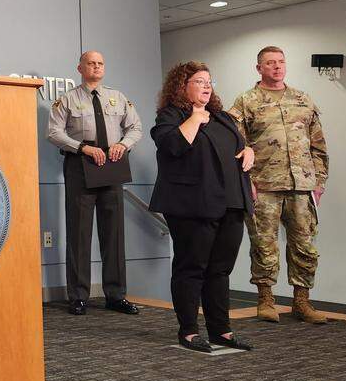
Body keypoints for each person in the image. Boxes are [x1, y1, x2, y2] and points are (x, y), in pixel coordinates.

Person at [150, 62, 255, 353]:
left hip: (230, 202)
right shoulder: (172, 115)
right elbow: (171, 146)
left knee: (220, 270)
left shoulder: (221, 117)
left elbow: (236, 145)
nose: (207, 86)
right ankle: (188, 331)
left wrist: (249, 150)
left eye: (209, 81)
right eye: (199, 81)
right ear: (182, 86)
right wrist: (195, 118)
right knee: (191, 268)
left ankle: (221, 329)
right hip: (192, 205)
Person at [229, 46, 329, 324]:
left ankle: (302, 302)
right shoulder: (247, 101)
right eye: (270, 63)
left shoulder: (302, 99)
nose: (277, 67)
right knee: (264, 245)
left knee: (305, 245)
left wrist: (318, 182)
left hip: (302, 185)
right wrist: (244, 182)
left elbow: (318, 145)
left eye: (281, 62)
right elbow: (235, 147)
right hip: (263, 185)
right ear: (258, 68)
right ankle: (266, 300)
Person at [45, 50, 143, 316]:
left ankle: (116, 294)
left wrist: (123, 145)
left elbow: (135, 128)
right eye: (91, 63)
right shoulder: (67, 99)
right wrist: (82, 148)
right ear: (80, 68)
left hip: (111, 164)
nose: (97, 67)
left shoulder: (118, 97)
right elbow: (53, 132)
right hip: (81, 164)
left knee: (114, 233)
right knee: (79, 233)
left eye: (100, 63)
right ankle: (78, 296)